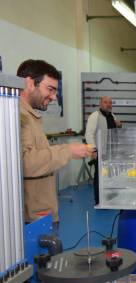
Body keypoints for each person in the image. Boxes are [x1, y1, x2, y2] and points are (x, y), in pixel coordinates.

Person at [17, 59, 91, 232]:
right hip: (33, 218)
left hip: (40, 213)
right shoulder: (18, 115)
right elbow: (24, 163)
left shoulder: (29, 115)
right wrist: (67, 151)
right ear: (29, 83)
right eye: (50, 89)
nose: (53, 97)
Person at [85, 96, 122, 205]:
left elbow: (114, 130)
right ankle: (99, 201)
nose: (108, 104)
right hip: (101, 152)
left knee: (111, 175)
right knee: (99, 177)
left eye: (110, 102)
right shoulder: (95, 116)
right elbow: (89, 134)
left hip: (112, 152)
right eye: (106, 102)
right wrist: (94, 150)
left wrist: (119, 125)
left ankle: (110, 197)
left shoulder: (112, 116)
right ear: (100, 104)